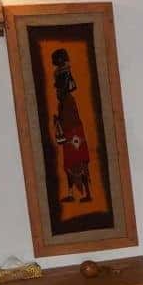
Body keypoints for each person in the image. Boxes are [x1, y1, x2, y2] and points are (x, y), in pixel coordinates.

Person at [50, 48, 92, 202]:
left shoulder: (68, 101)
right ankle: (72, 193)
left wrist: (61, 123)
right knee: (69, 161)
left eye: (58, 85)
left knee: (77, 159)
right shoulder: (64, 102)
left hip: (73, 130)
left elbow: (69, 87)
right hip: (70, 129)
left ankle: (86, 193)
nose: (56, 88)